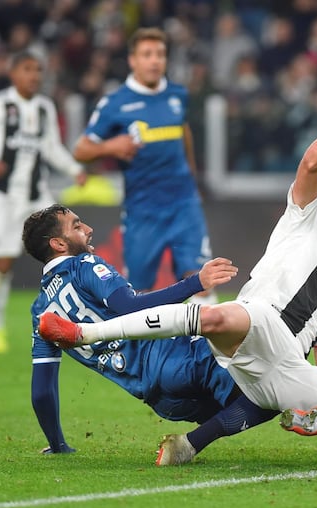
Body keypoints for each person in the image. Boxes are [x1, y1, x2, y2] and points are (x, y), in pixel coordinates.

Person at [39, 71, 317, 452]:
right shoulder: (304, 221)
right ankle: (84, 335)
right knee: (218, 317)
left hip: (284, 371)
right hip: (257, 326)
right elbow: (311, 160)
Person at [23, 204, 278, 465]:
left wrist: (57, 445)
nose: (88, 230)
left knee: (259, 401)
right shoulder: (83, 266)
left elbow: (42, 390)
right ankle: (189, 445)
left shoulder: (41, 313)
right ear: (58, 244)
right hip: (179, 356)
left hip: (161, 398)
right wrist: (195, 283)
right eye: (77, 226)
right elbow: (129, 307)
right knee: (272, 388)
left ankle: (191, 443)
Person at [72, 27, 215, 302]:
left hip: (184, 204)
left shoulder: (177, 95)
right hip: (143, 210)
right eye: (147, 54)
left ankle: (204, 346)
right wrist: (112, 146)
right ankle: (142, 345)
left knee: (202, 281)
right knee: (139, 292)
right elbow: (81, 150)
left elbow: (184, 132)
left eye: (160, 54)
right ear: (132, 60)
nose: (154, 61)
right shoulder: (115, 103)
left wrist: (192, 178)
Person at [0, 50, 87, 354]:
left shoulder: (44, 107)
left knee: (66, 252)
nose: (34, 76)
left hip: (37, 198)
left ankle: (71, 323)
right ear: (13, 72)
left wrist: (75, 170)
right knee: (4, 265)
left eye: (38, 70)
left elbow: (52, 148)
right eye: (28, 69)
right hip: (3, 199)